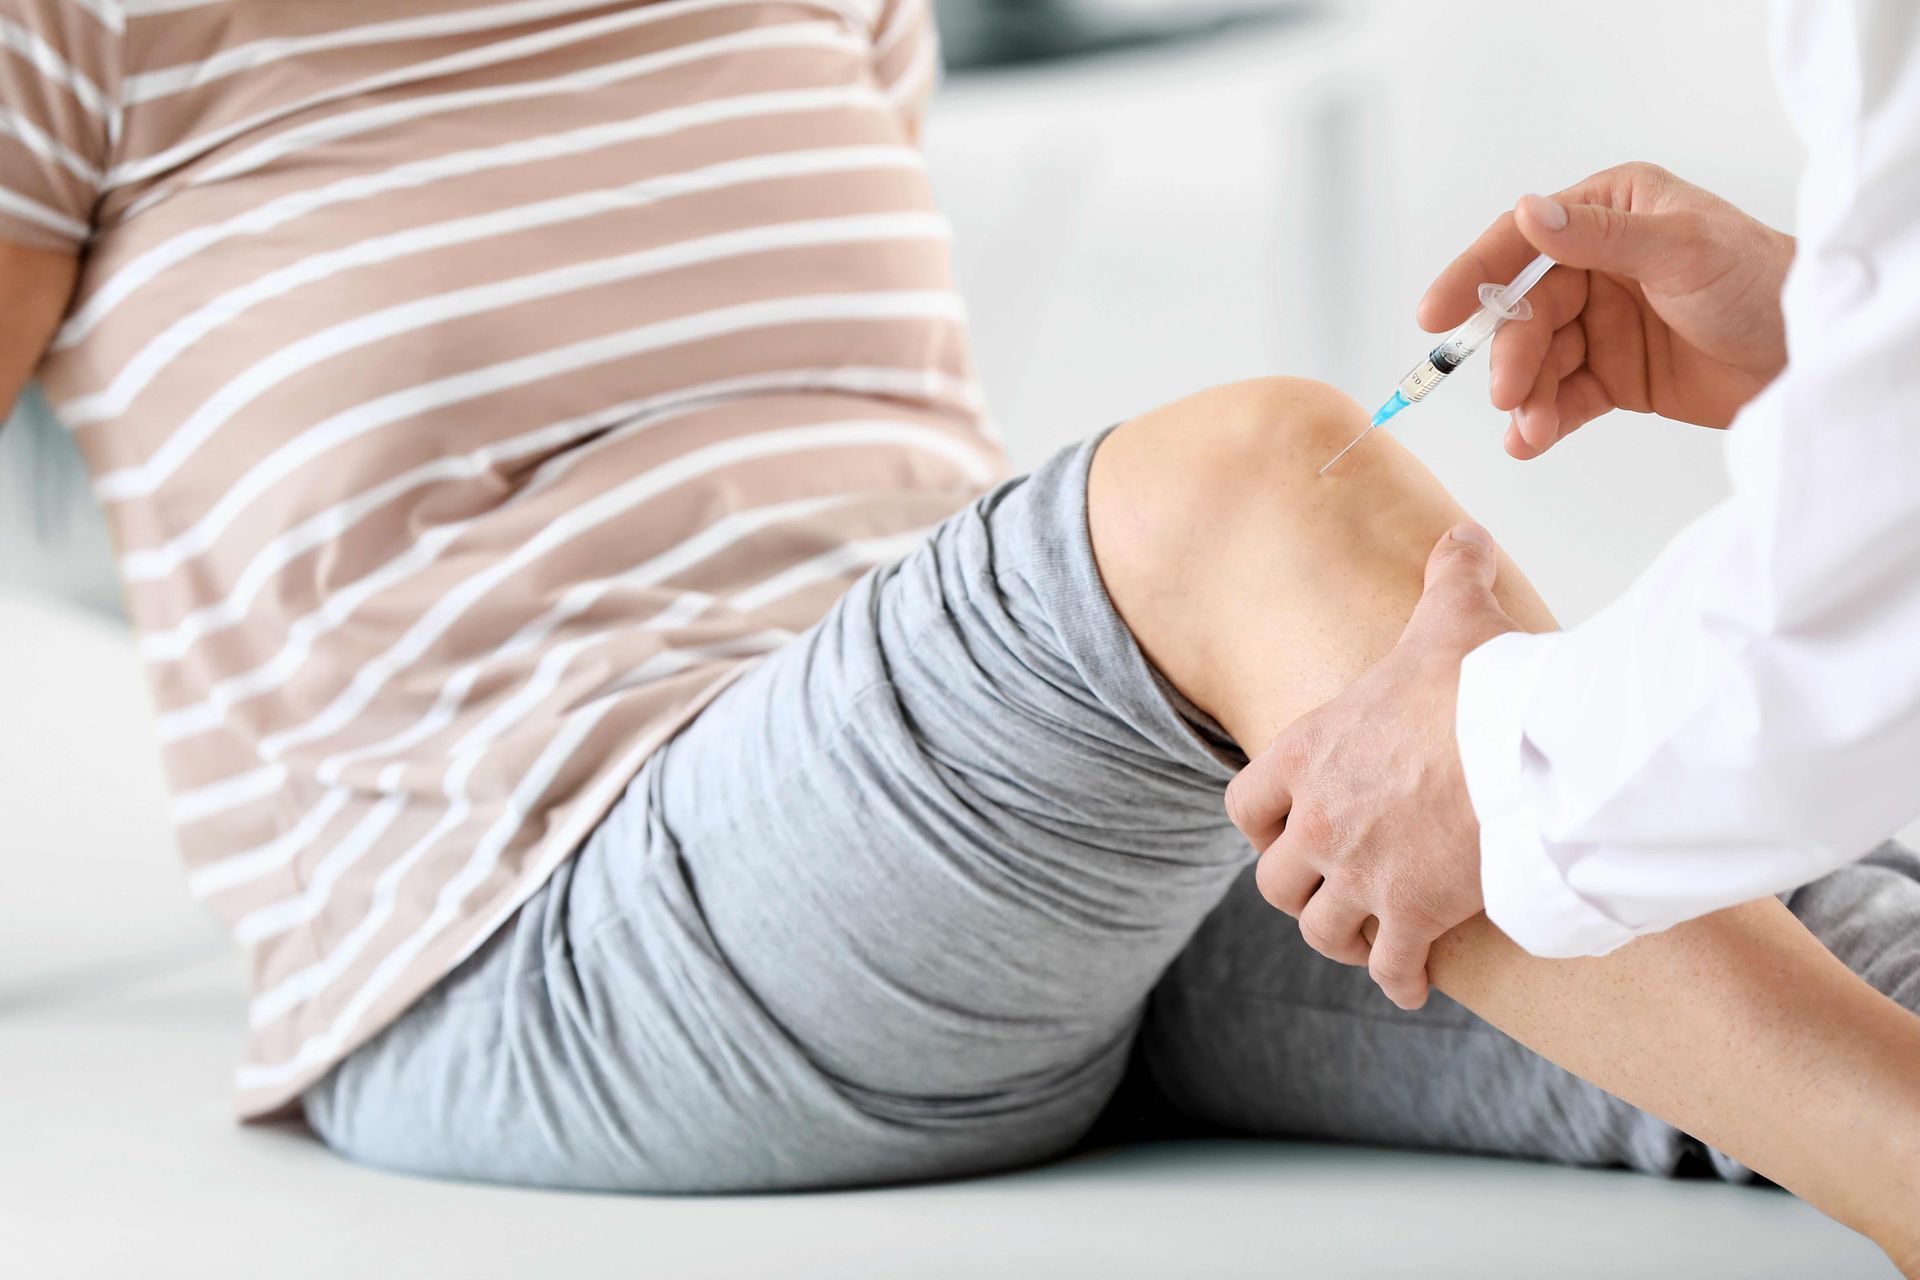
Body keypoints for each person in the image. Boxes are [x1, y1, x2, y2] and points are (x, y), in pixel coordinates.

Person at [1, 1, 1916, 1271]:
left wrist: (1836, 359)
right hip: (526, 928)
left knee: (1850, 935)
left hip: (969, 844)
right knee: (1247, 482)